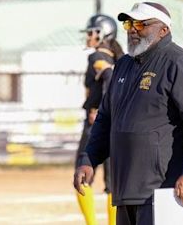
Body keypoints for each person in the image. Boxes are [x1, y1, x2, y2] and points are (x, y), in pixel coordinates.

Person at [74, 2, 183, 225]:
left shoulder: (180, 63)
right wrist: (89, 159)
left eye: (141, 24)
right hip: (125, 192)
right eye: (129, 23)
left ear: (163, 29)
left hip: (166, 193)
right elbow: (105, 118)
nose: (132, 29)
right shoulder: (123, 66)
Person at [76, 13, 124, 225]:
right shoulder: (117, 57)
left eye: (92, 32)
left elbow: (109, 76)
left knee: (82, 174)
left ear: (103, 33)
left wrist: (101, 107)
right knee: (113, 181)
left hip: (97, 124)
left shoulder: (97, 57)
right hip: (115, 124)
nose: (88, 36)